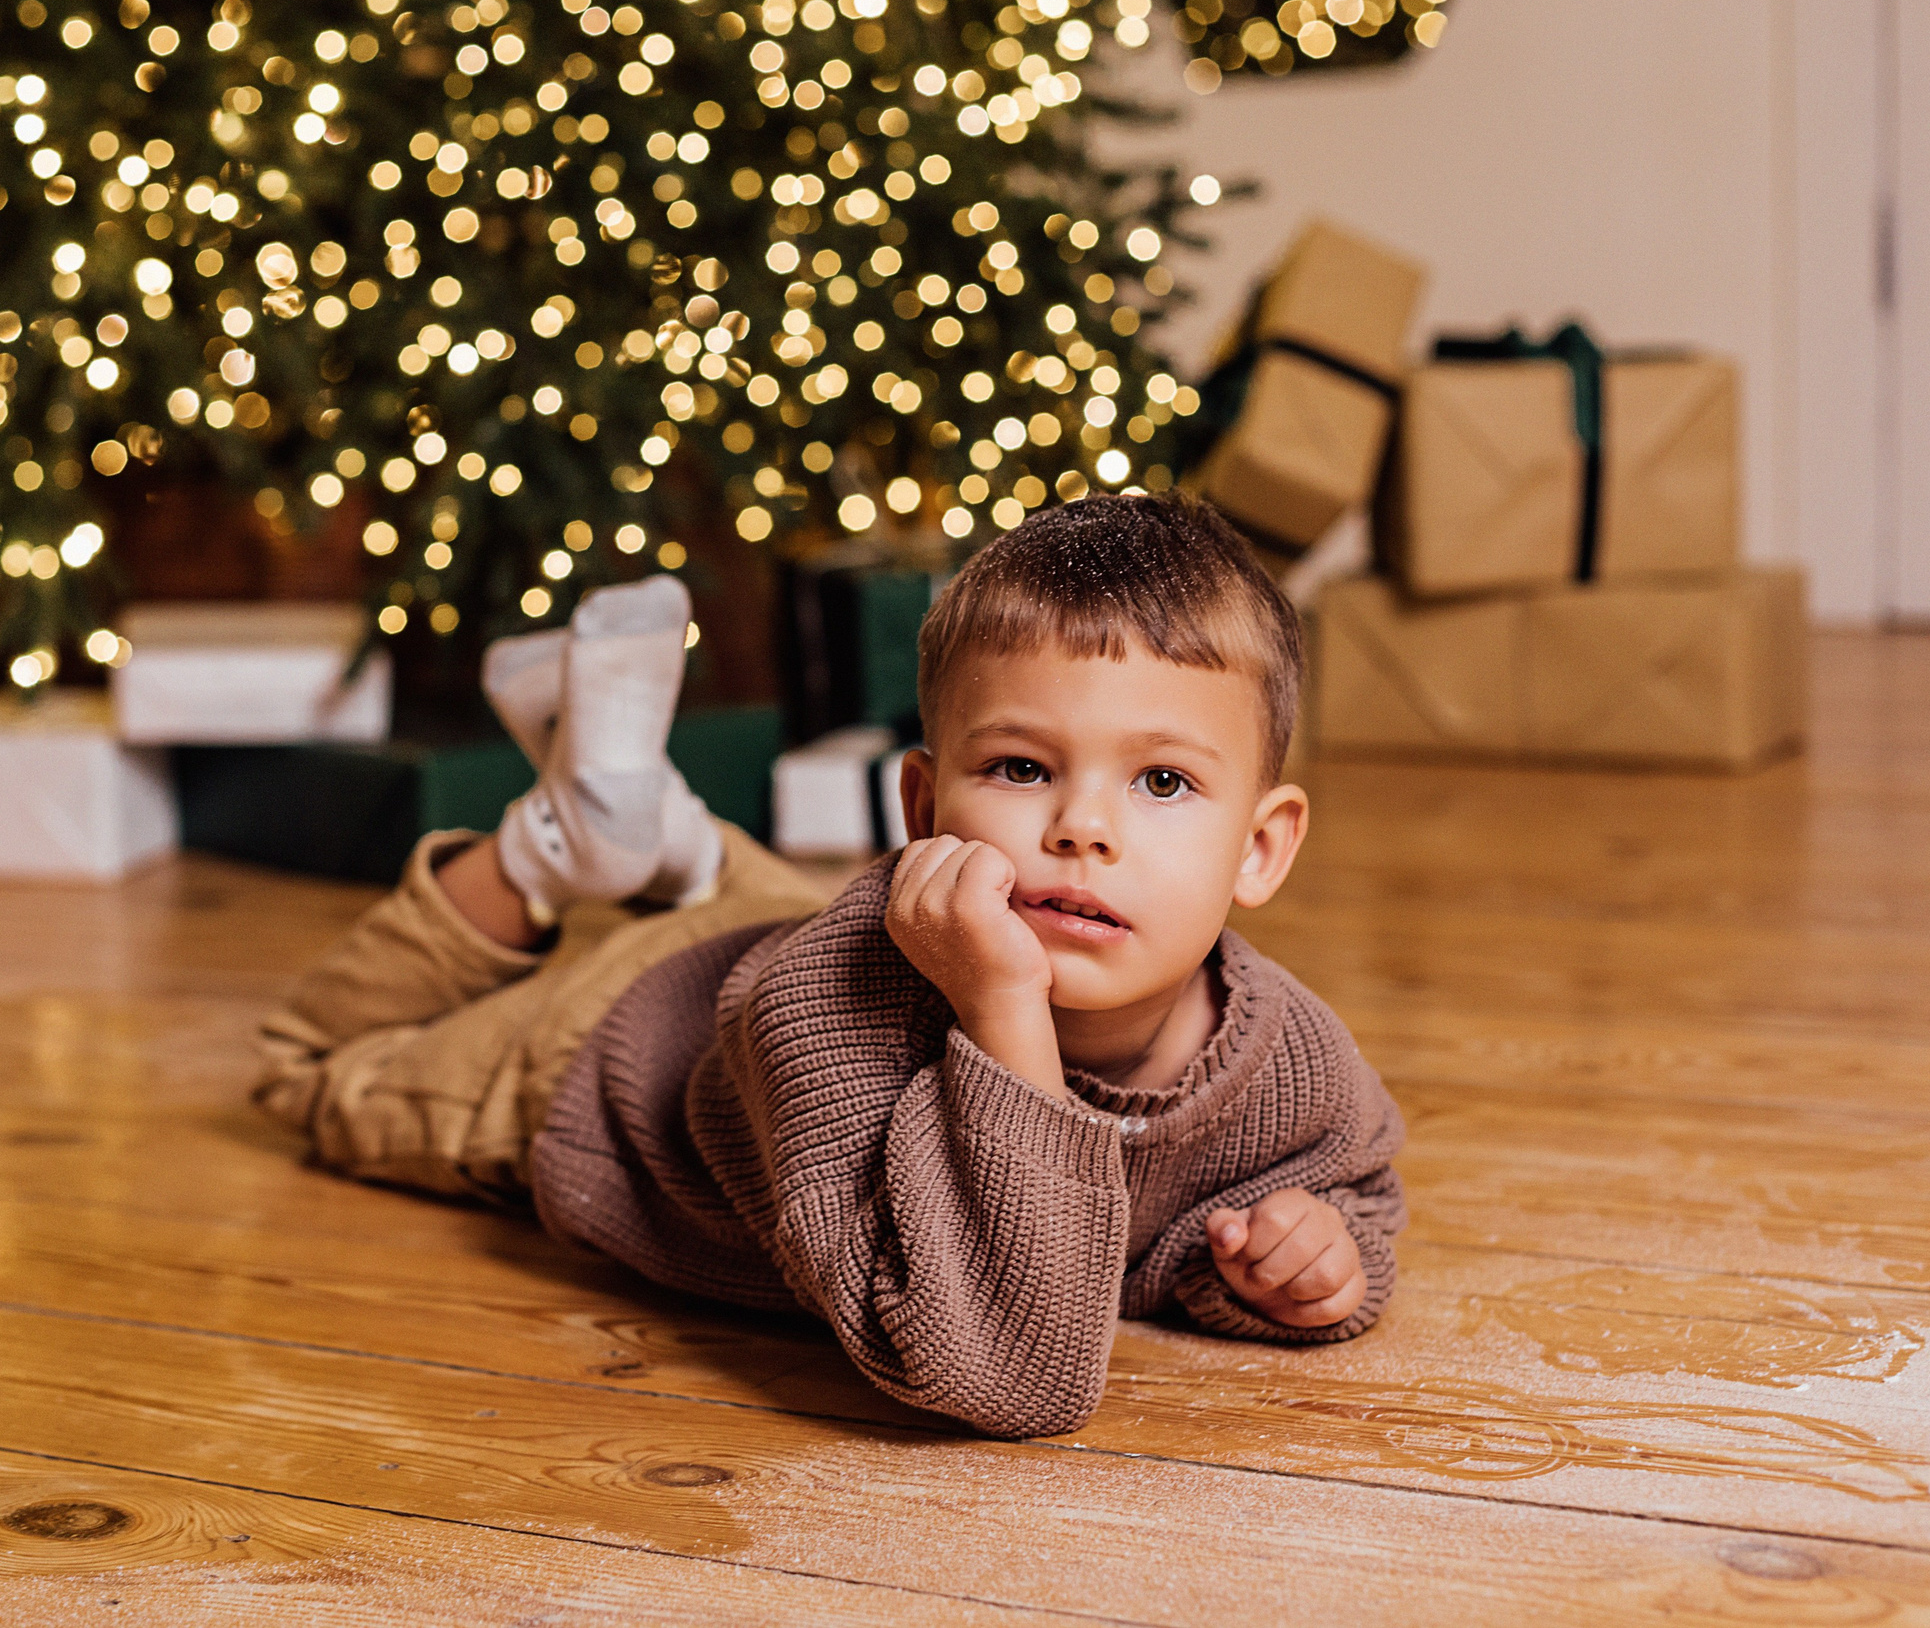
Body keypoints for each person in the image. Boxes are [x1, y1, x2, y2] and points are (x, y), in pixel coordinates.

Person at [254, 494, 1405, 1438]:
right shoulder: (824, 1014)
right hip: (602, 1052)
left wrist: (1313, 1262)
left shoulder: (1286, 1052)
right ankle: (551, 844)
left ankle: (655, 828)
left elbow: (1347, 1186)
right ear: (920, 805)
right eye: (1017, 767)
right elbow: (1001, 1373)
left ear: (1259, 848)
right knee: (303, 1067)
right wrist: (1002, 1001)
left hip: (782, 924)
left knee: (792, 918)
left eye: (1161, 782)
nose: (1080, 829)